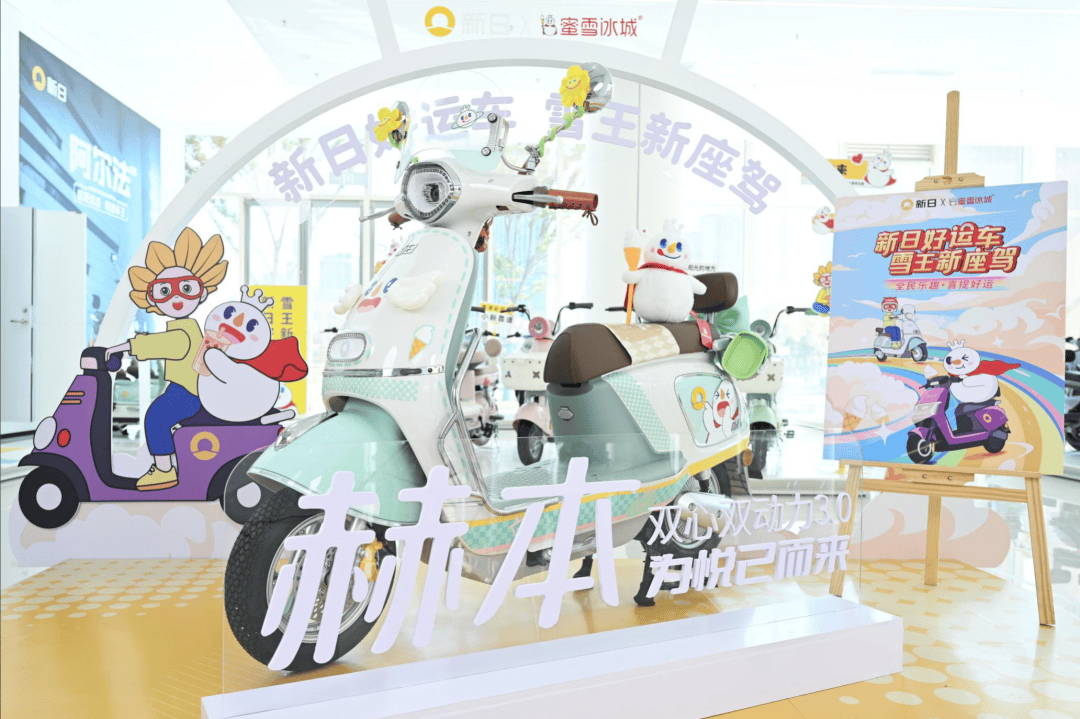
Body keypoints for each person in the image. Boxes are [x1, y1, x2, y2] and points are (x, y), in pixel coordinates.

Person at [105, 229, 228, 491]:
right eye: (164, 291)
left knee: (156, 417)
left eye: (186, 288)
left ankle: (164, 469)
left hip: (187, 393)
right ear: (151, 298)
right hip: (183, 389)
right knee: (159, 414)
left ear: (201, 293)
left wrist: (119, 348)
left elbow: (155, 344)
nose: (176, 298)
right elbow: (156, 343)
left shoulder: (183, 333)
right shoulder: (183, 328)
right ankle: (167, 464)